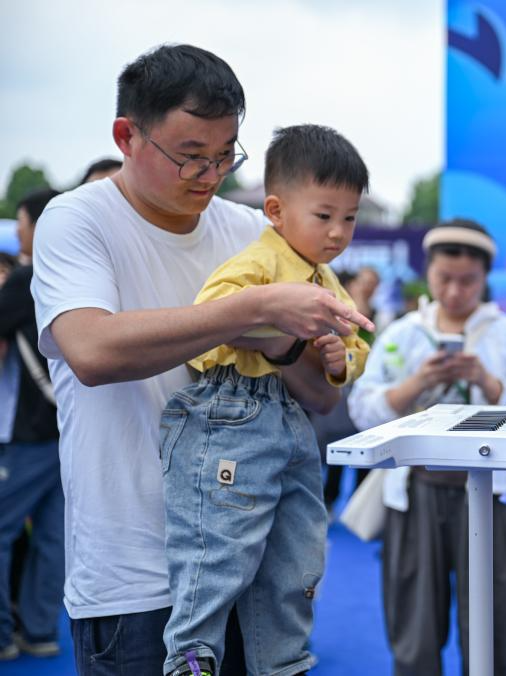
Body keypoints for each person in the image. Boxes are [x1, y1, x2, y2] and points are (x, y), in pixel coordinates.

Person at [31, 44, 372, 675]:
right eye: (190, 155)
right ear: (127, 136)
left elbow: (323, 398)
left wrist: (295, 345)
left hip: (250, 564)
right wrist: (252, 309)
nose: (209, 174)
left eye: (225, 155)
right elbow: (91, 350)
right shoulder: (77, 220)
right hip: (135, 575)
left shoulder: (253, 232)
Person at [158, 123, 371, 676]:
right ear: (275, 210)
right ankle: (191, 655)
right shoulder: (261, 264)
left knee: (299, 555)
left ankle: (282, 661)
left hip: (291, 422)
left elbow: (355, 345)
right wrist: (275, 322)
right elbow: (211, 318)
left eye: (350, 218)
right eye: (324, 215)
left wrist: (338, 359)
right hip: (234, 410)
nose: (338, 232)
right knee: (220, 547)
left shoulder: (324, 278)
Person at [348, 219, 506, 676]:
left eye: (467, 280)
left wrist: (488, 382)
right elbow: (361, 410)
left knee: (494, 626)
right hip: (416, 491)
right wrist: (417, 383)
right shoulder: (403, 333)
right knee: (413, 629)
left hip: (491, 495)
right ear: (429, 273)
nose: (454, 291)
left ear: (486, 277)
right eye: (444, 278)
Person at [0, 188, 63, 660]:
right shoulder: (79, 272)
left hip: (30, 431)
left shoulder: (29, 278)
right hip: (73, 427)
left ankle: (2, 635)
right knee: (53, 536)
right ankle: (40, 630)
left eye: (22, 224)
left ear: (39, 226)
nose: (19, 233)